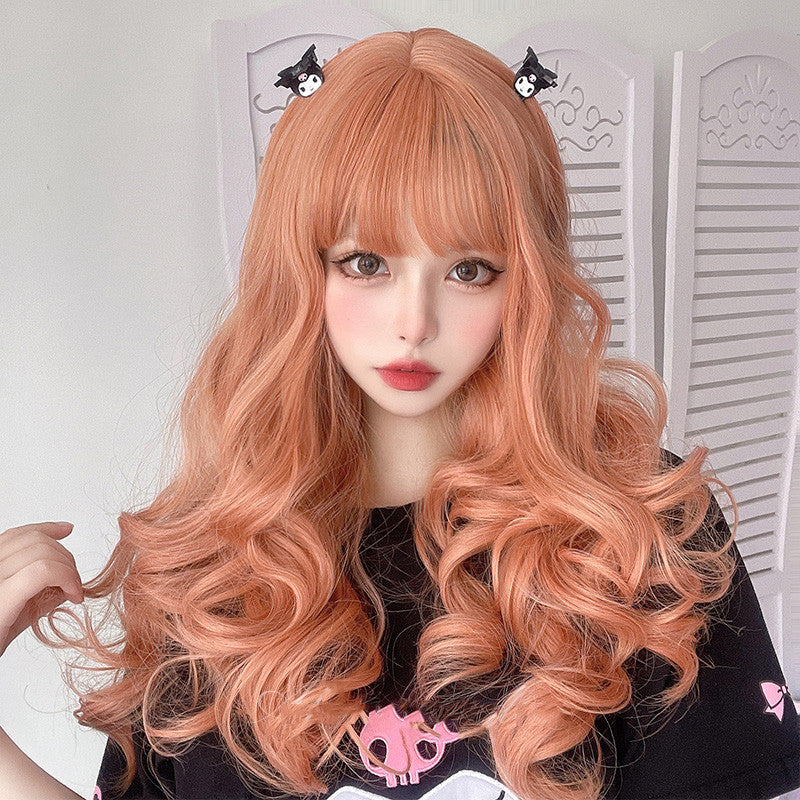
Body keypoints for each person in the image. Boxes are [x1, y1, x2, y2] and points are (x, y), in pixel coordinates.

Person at [1, 26, 798, 800]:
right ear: (300, 269)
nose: (414, 322)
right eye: (366, 262)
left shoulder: (633, 538)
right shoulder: (212, 567)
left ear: (525, 281)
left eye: (469, 270)